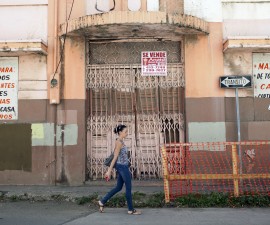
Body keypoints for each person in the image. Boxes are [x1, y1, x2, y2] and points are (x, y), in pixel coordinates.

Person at [98, 124, 141, 215]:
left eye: (127, 131)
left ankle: (102, 201)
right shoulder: (119, 142)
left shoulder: (121, 141)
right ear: (120, 132)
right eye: (125, 132)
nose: (127, 133)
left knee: (118, 187)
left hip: (123, 166)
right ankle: (130, 209)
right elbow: (115, 157)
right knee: (128, 188)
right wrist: (109, 171)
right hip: (122, 167)